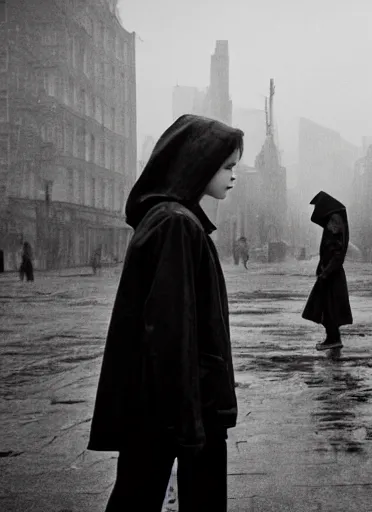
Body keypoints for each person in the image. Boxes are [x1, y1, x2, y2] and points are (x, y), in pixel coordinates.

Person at [88, 114, 244, 512]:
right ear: (200, 163)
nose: (233, 176)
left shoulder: (171, 219)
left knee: (136, 492)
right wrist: (188, 420)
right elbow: (171, 330)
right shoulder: (177, 224)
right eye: (227, 166)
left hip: (162, 404)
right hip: (186, 405)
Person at [302, 191, 353, 351]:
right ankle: (332, 337)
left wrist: (326, 272)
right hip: (330, 274)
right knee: (327, 308)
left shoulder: (335, 220)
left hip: (331, 275)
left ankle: (333, 338)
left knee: (329, 308)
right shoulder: (335, 220)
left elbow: (337, 253)